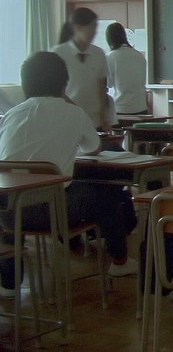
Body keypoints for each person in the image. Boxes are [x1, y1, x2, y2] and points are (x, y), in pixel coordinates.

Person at [0, 52, 139, 290]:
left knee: (20, 200)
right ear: (65, 83)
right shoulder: (72, 112)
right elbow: (93, 147)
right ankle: (120, 262)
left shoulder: (11, 115)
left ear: (25, 84)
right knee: (109, 195)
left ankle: (9, 284)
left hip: (8, 213)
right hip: (53, 211)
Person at [51, 7, 111, 131]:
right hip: (68, 117)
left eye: (96, 27)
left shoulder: (98, 53)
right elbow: (56, 90)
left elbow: (101, 88)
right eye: (91, 27)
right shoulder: (59, 53)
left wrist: (104, 117)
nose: (94, 31)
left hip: (94, 119)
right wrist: (76, 110)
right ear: (77, 28)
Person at [105, 22, 148, 114]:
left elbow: (109, 83)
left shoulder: (110, 56)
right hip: (141, 106)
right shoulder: (139, 55)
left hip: (121, 107)